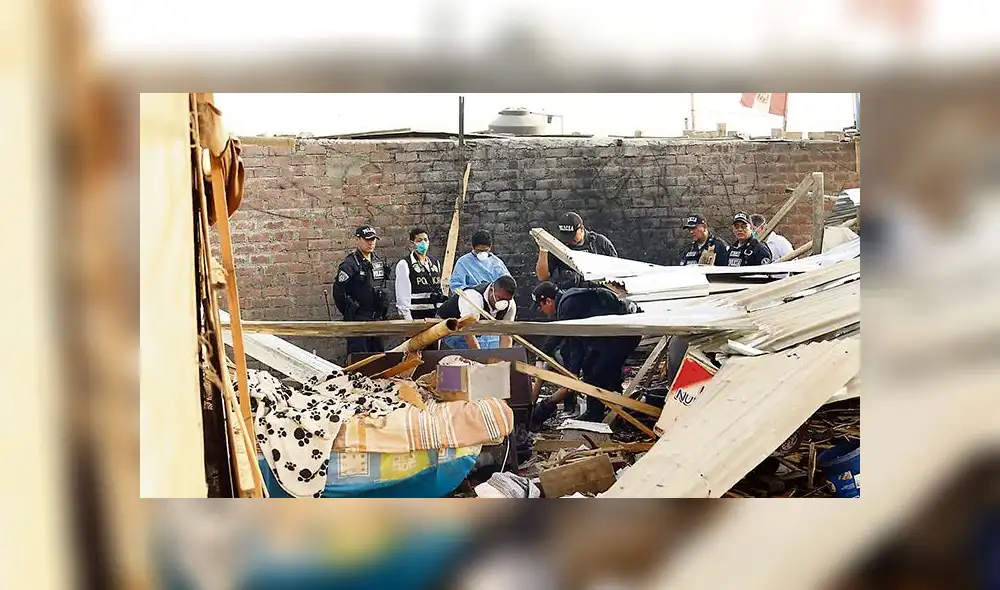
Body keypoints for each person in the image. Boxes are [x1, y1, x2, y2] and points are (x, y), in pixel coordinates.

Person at [529, 281, 643, 426]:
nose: (542, 312)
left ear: (548, 301)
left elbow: (562, 335)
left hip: (624, 332)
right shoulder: (570, 302)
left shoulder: (568, 304)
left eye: (540, 307)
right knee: (593, 366)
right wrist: (573, 373)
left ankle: (595, 415)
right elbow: (573, 343)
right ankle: (611, 407)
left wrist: (543, 355)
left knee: (596, 371)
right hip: (616, 333)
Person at [332, 225, 390, 356]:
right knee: (359, 359)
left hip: (377, 320)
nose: (371, 243)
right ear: (357, 239)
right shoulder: (350, 264)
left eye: (373, 239)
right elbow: (338, 292)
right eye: (367, 239)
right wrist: (350, 310)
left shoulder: (378, 262)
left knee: (379, 359)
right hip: (358, 320)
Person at [448, 230, 511, 348]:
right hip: (471, 309)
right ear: (472, 247)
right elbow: (456, 287)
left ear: (490, 248)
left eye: (485, 251)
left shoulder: (496, 264)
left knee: (494, 352)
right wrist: (474, 294)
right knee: (473, 352)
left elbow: (507, 284)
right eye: (479, 251)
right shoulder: (464, 263)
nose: (482, 254)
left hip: (492, 313)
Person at [536, 211, 618, 289]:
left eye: (573, 237)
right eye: (566, 237)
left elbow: (618, 270)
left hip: (599, 292)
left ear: (581, 229)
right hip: (571, 295)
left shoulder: (600, 243)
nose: (569, 241)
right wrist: (543, 250)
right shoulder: (559, 246)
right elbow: (543, 277)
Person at [437, 275, 518, 350]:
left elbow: (506, 334)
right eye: (499, 297)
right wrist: (480, 359)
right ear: (491, 290)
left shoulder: (510, 305)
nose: (502, 303)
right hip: (449, 329)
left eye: (506, 300)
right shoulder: (473, 297)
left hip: (475, 331)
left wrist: (506, 359)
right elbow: (468, 334)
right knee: (467, 356)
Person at [394, 227, 446, 321]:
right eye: (419, 240)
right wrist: (408, 320)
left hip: (436, 316)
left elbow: (439, 287)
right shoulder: (405, 264)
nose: (423, 243)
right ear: (412, 243)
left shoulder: (435, 263)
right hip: (416, 316)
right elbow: (402, 296)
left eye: (425, 240)